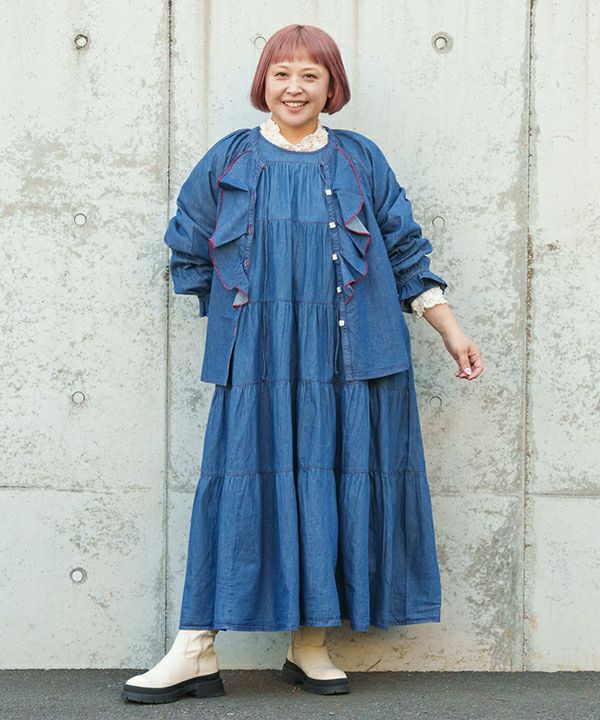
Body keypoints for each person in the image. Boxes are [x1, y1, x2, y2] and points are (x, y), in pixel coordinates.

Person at [122, 23, 483, 704]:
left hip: (353, 360)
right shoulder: (230, 158)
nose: (295, 88)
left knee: (335, 488)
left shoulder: (360, 159)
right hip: (260, 362)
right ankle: (195, 647)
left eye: (310, 75)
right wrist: (247, 322)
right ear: (264, 81)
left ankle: (310, 643)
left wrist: (451, 332)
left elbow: (405, 251)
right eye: (282, 73)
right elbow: (189, 247)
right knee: (237, 487)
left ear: (331, 86)